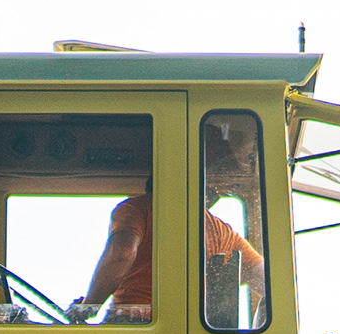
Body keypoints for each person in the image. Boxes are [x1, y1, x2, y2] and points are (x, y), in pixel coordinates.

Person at [73, 128, 261, 322]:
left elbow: (122, 253)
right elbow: (264, 279)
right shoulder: (221, 231)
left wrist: (89, 306)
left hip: (132, 325)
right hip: (189, 331)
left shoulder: (138, 209)